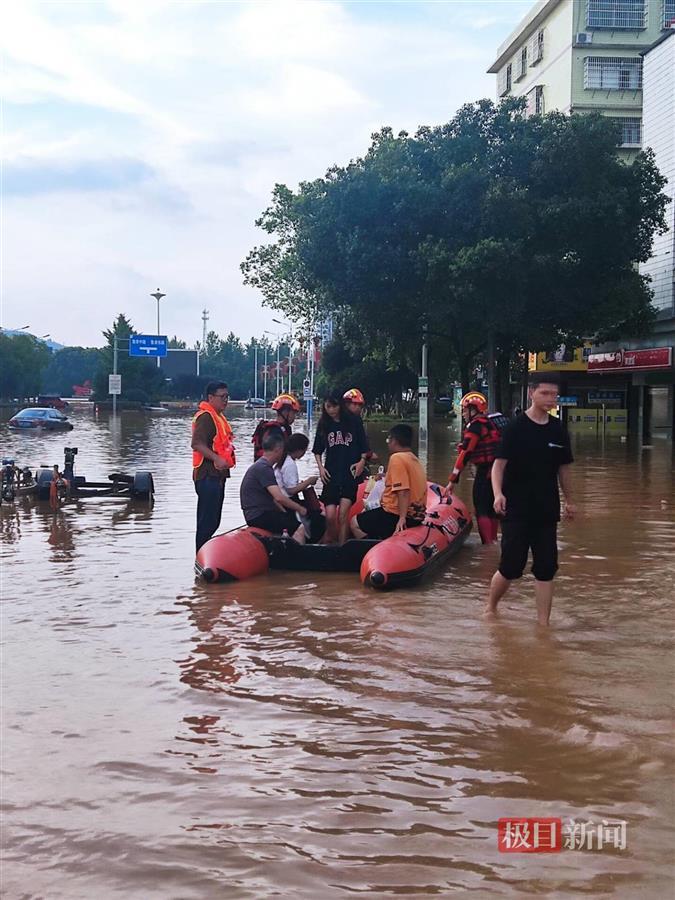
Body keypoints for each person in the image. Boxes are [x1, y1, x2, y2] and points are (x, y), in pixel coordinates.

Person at [485, 375, 576, 627]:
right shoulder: (515, 428)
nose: (550, 399)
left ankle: (543, 625)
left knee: (546, 567)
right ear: (531, 393)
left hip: (547, 509)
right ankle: (491, 607)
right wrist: (498, 494)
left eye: (554, 394)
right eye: (545, 393)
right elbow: (498, 466)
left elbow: (564, 469)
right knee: (512, 565)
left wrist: (570, 500)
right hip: (516, 507)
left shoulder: (558, 429)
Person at [351, 424, 427, 539]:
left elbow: (403, 491)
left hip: (394, 514)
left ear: (394, 440)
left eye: (388, 439)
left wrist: (402, 518)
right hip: (416, 516)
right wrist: (386, 476)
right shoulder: (414, 459)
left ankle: (373, 547)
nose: (388, 443)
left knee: (354, 523)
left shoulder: (396, 458)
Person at [445, 391, 501, 544]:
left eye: (465, 410)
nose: (463, 414)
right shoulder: (490, 423)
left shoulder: (475, 427)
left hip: (485, 473)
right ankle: (493, 541)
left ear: (473, 410)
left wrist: (452, 480)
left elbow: (465, 453)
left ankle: (487, 546)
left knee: (481, 509)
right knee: (491, 509)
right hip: (498, 473)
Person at [313, 393, 369, 544]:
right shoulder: (324, 424)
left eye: (334, 406)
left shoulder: (354, 421)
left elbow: (364, 446)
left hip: (349, 474)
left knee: (343, 515)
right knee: (330, 515)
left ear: (341, 406)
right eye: (328, 406)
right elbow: (317, 450)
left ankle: (342, 547)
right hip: (331, 474)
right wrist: (321, 468)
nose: (331, 410)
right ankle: (330, 539)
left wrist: (362, 461)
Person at [240, 430, 308, 542]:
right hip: (258, 515)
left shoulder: (262, 466)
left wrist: (284, 512)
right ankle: (298, 552)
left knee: (287, 520)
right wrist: (300, 508)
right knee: (299, 528)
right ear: (278, 450)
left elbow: (273, 499)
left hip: (257, 513)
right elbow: (279, 497)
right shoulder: (264, 468)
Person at [191, 381, 236, 551]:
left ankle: (205, 553)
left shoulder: (219, 417)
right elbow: (196, 443)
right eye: (222, 396)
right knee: (207, 522)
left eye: (227, 396)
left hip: (217, 476)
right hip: (207, 476)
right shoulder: (206, 417)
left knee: (214, 521)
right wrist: (216, 458)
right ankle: (201, 555)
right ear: (210, 397)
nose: (225, 400)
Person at [274, 433, 320, 540]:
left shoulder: (282, 460)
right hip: (287, 501)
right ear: (299, 450)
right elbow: (291, 490)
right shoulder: (289, 464)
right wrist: (308, 481)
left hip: (281, 498)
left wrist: (302, 484)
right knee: (315, 516)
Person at [252, 393, 300, 461]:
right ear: (286, 412)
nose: (294, 417)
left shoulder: (279, 429)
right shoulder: (276, 432)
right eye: (293, 413)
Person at [342, 387, 378, 467]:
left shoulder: (335, 420)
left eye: (360, 405)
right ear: (346, 404)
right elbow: (361, 442)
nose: (358, 407)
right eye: (355, 404)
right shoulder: (356, 420)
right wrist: (369, 454)